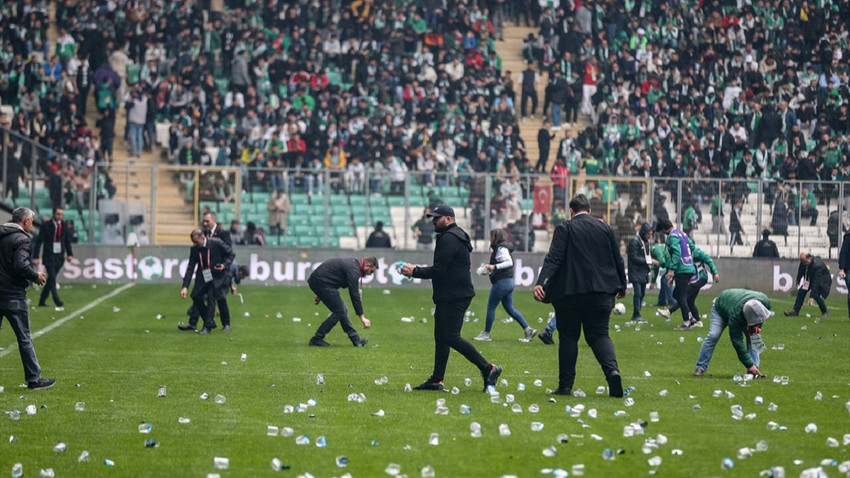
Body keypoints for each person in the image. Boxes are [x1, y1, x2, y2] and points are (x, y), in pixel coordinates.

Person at [400, 204, 503, 392]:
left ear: (448, 219)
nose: (433, 221)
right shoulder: (456, 235)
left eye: (437, 218)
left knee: (450, 337)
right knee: (441, 337)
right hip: (451, 294)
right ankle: (437, 380)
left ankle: (488, 368)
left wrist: (415, 271)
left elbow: (439, 270)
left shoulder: (449, 238)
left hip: (454, 295)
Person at [533, 194, 627, 397]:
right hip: (602, 292)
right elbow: (617, 259)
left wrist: (541, 283)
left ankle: (565, 386)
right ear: (590, 211)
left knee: (568, 338)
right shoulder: (605, 228)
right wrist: (622, 285)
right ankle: (612, 372)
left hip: (571, 293)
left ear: (571, 211)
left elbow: (554, 258)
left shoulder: (565, 228)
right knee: (600, 335)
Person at [0, 208, 55, 390]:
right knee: (24, 338)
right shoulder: (22, 239)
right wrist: (35, 276)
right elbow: (20, 265)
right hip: (13, 295)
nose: (32, 224)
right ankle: (34, 379)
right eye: (31, 221)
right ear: (25, 221)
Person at [474, 228, 538, 342]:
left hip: (502, 283)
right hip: (508, 282)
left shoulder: (501, 248)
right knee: (510, 308)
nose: (489, 238)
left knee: (491, 307)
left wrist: (494, 267)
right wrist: (489, 270)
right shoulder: (502, 247)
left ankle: (486, 334)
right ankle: (528, 330)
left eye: (491, 236)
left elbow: (509, 262)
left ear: (495, 237)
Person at [693, 289, 771, 378]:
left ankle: (754, 370)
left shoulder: (765, 303)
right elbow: (737, 342)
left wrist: (756, 327)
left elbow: (760, 317)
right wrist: (749, 364)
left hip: (735, 304)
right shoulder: (736, 317)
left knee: (754, 336)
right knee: (713, 335)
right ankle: (700, 367)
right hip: (720, 308)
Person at [307, 257, 376, 347]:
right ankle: (316, 339)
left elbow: (334, 277)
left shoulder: (354, 265)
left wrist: (320, 293)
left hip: (322, 282)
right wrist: (362, 317)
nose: (370, 274)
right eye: (371, 271)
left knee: (341, 310)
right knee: (340, 311)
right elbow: (354, 294)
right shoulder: (354, 270)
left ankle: (356, 340)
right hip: (322, 283)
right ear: (367, 265)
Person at [179, 229, 235, 334]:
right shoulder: (195, 249)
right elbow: (190, 267)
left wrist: (224, 265)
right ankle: (210, 321)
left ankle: (207, 327)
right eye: (193, 242)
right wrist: (185, 286)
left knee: (211, 297)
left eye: (196, 242)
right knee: (195, 295)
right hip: (205, 273)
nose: (194, 244)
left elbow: (231, 254)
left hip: (218, 274)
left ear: (203, 238)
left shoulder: (216, 243)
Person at [656, 218, 697, 331]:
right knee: (676, 294)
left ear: (664, 229)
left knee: (681, 296)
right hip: (689, 267)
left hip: (682, 269)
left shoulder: (672, 237)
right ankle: (690, 317)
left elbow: (677, 252)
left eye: (662, 231)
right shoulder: (681, 233)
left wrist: (672, 270)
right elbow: (692, 247)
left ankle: (687, 323)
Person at [664, 245, 719, 328]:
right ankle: (698, 321)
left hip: (700, 278)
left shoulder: (696, 252)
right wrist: (673, 279)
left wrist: (715, 272)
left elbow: (708, 259)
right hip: (693, 279)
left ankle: (670, 311)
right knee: (690, 301)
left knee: (683, 296)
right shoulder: (683, 254)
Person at [32, 208, 73, 310]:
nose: (60, 216)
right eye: (58, 214)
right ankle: (57, 300)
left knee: (51, 279)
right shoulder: (46, 226)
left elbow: (67, 241)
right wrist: (36, 256)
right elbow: (39, 241)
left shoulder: (63, 226)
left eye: (61, 214)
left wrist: (70, 254)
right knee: (53, 278)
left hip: (60, 256)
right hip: (49, 255)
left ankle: (42, 300)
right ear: (54, 214)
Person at [784, 253, 831, 317]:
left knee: (816, 295)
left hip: (822, 280)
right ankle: (795, 311)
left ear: (809, 258)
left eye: (805, 262)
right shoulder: (804, 262)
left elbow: (816, 282)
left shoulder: (817, 266)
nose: (805, 264)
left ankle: (825, 311)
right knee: (801, 291)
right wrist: (798, 279)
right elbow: (801, 270)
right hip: (810, 278)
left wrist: (811, 297)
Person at [627, 222, 655, 323]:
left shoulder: (646, 242)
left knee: (642, 293)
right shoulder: (634, 242)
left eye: (651, 234)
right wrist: (650, 261)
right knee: (638, 293)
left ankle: (637, 314)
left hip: (643, 272)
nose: (650, 236)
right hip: (635, 271)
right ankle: (636, 314)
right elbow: (634, 258)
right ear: (644, 233)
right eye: (649, 234)